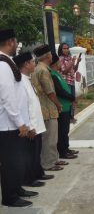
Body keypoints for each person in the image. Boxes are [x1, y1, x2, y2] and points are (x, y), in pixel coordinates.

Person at [0, 29, 37, 207]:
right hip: (7, 125)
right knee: (10, 162)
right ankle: (10, 197)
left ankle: (17, 189)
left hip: (13, 123)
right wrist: (20, 122)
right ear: (10, 42)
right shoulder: (2, 64)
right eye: (15, 41)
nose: (16, 45)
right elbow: (7, 97)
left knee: (18, 160)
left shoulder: (7, 62)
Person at [13, 52, 53, 189]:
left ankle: (37, 173)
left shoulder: (27, 79)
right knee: (30, 154)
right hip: (32, 127)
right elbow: (24, 107)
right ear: (26, 64)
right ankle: (29, 179)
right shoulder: (20, 81)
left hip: (36, 125)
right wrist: (30, 127)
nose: (34, 63)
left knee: (36, 153)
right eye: (32, 61)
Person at [32, 45, 66, 171]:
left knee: (52, 137)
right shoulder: (43, 70)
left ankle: (54, 159)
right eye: (51, 54)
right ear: (47, 56)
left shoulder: (39, 68)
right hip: (47, 108)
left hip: (45, 108)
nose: (52, 56)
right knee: (49, 138)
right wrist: (58, 104)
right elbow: (50, 91)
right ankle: (48, 163)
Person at [50, 54, 78, 160]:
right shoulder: (52, 74)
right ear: (56, 63)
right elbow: (59, 91)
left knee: (65, 130)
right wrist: (71, 97)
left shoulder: (57, 73)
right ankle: (62, 152)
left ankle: (66, 148)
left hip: (66, 106)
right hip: (62, 106)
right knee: (61, 131)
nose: (60, 64)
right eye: (59, 62)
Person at [58, 43, 80, 124]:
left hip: (71, 81)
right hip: (65, 82)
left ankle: (72, 116)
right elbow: (64, 71)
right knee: (68, 99)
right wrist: (71, 62)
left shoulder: (69, 58)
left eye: (67, 48)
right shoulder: (60, 59)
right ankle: (68, 117)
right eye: (64, 48)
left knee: (73, 99)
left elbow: (74, 69)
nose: (66, 50)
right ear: (61, 49)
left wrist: (77, 62)